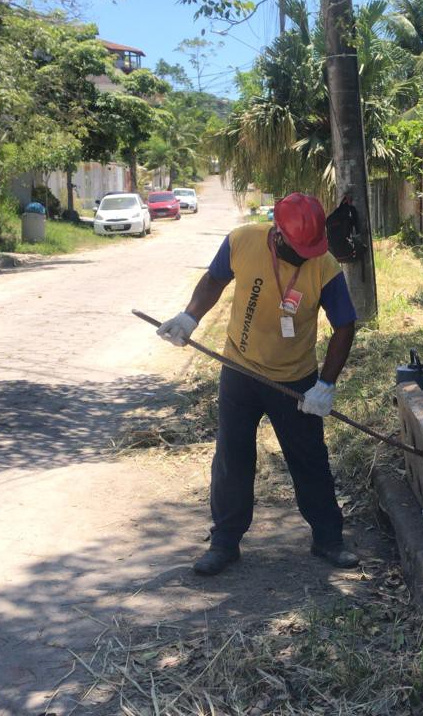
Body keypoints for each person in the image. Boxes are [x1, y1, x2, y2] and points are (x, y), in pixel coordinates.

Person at [156, 193, 360, 576]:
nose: (306, 255)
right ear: (278, 234)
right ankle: (225, 543)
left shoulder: (324, 266)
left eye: (311, 248)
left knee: (310, 460)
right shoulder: (242, 241)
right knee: (232, 458)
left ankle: (329, 539)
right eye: (299, 248)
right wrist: (189, 317)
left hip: (295, 379)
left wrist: (326, 385)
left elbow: (345, 325)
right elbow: (214, 280)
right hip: (241, 370)